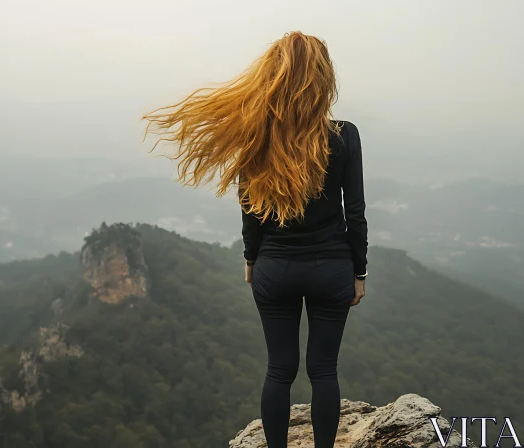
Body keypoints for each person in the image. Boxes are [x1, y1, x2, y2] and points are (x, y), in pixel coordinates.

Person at [142, 31, 368, 448]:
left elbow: (251, 209)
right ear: (323, 78)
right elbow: (354, 212)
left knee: (279, 371)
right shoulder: (345, 134)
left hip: (275, 267)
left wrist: (251, 259)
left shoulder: (258, 135)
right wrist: (359, 271)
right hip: (332, 268)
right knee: (324, 371)